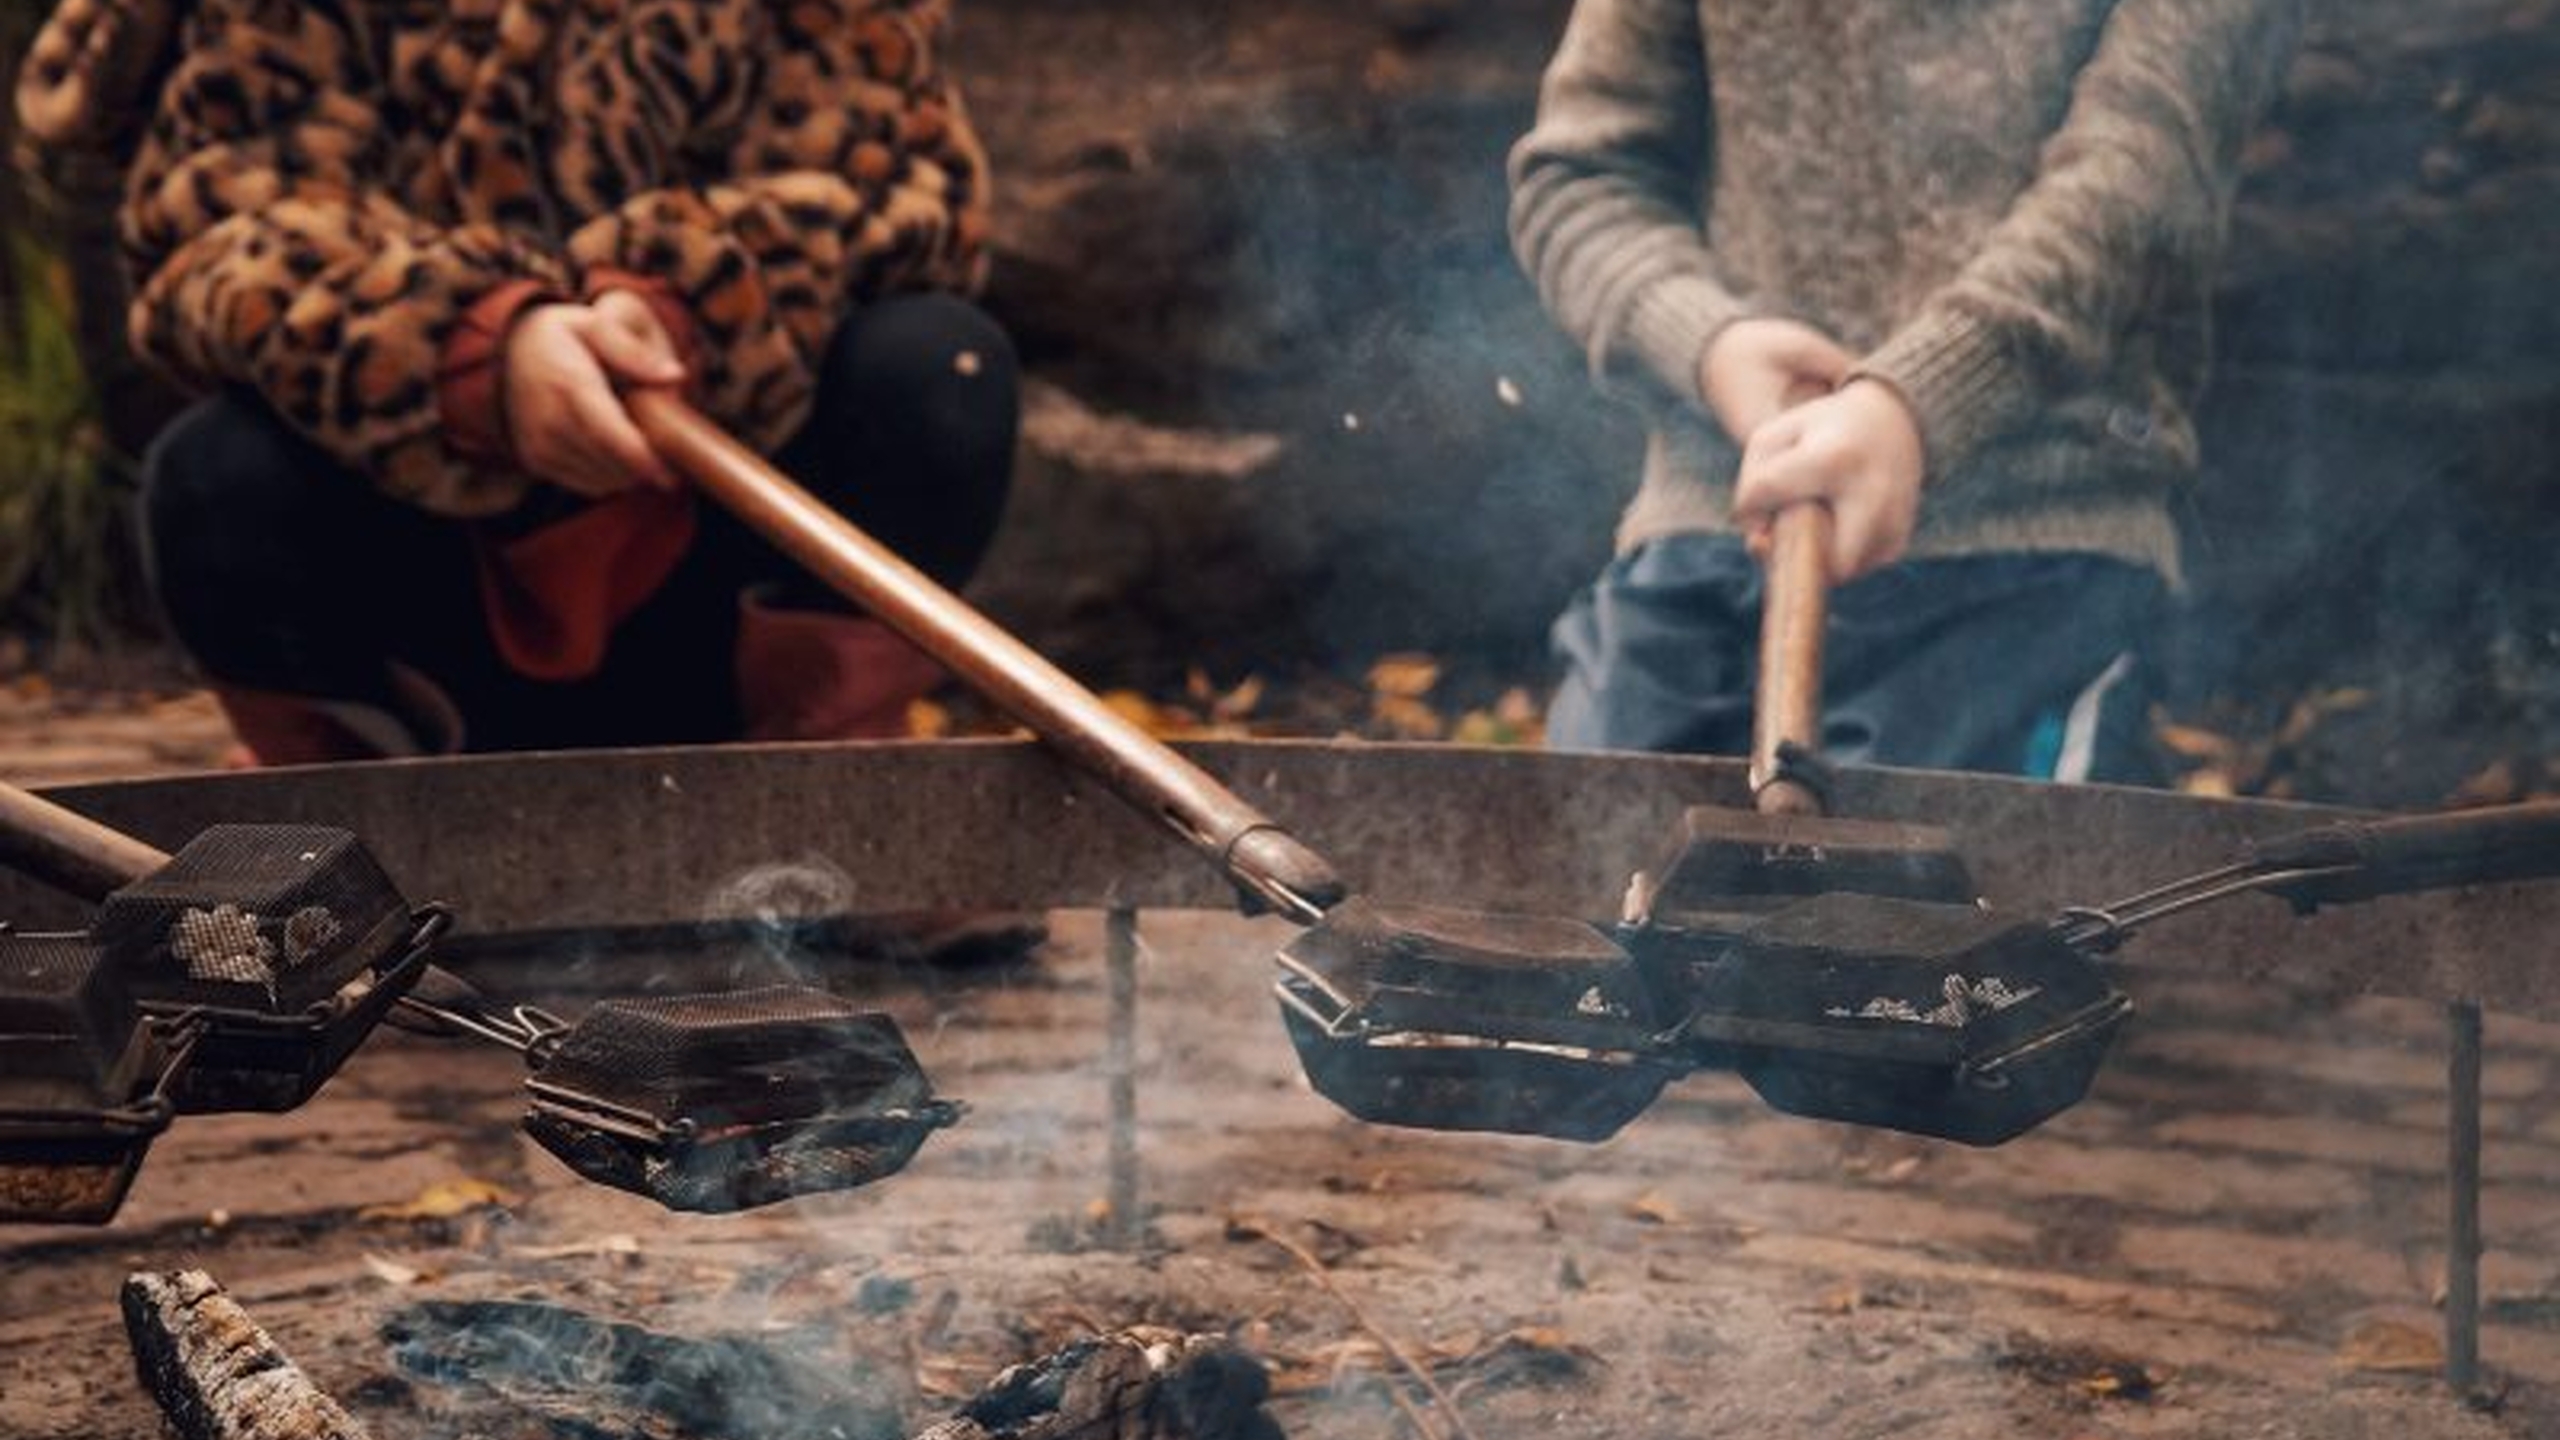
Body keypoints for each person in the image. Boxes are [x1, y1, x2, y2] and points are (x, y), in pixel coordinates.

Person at [16, 0, 1014, 759]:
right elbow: (220, 223)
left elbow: (900, 193)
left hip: (703, 563)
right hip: (419, 573)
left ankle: (825, 809)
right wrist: (474, 348)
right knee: (215, 474)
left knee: (936, 365)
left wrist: (680, 304)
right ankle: (350, 837)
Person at [1509, 0, 2302, 784]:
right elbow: (1580, 176)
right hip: (1708, 534)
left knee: (1918, 908)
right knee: (1584, 882)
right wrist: (1708, 341)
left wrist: (1916, 404)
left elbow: (2144, 178)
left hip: (2032, 550)